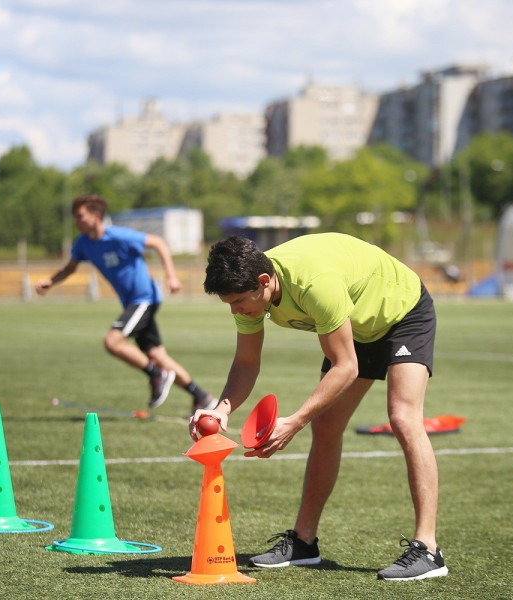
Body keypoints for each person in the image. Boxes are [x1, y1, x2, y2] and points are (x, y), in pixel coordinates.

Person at [194, 232, 447, 582]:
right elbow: (246, 362)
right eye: (229, 304)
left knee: (403, 418)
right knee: (326, 425)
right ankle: (304, 542)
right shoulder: (252, 291)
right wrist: (221, 409)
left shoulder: (314, 283)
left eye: (238, 301)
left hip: (401, 311)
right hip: (357, 325)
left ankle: (429, 549)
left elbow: (347, 367)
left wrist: (293, 422)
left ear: (264, 282)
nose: (236, 310)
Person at [36, 194, 216, 414]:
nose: (76, 221)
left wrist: (171, 275)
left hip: (144, 299)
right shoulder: (83, 244)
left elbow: (158, 243)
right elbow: (70, 268)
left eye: (80, 216)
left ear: (96, 215)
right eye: (75, 217)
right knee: (158, 355)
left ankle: (156, 374)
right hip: (133, 303)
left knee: (113, 341)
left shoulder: (118, 236)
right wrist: (50, 282)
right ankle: (202, 397)